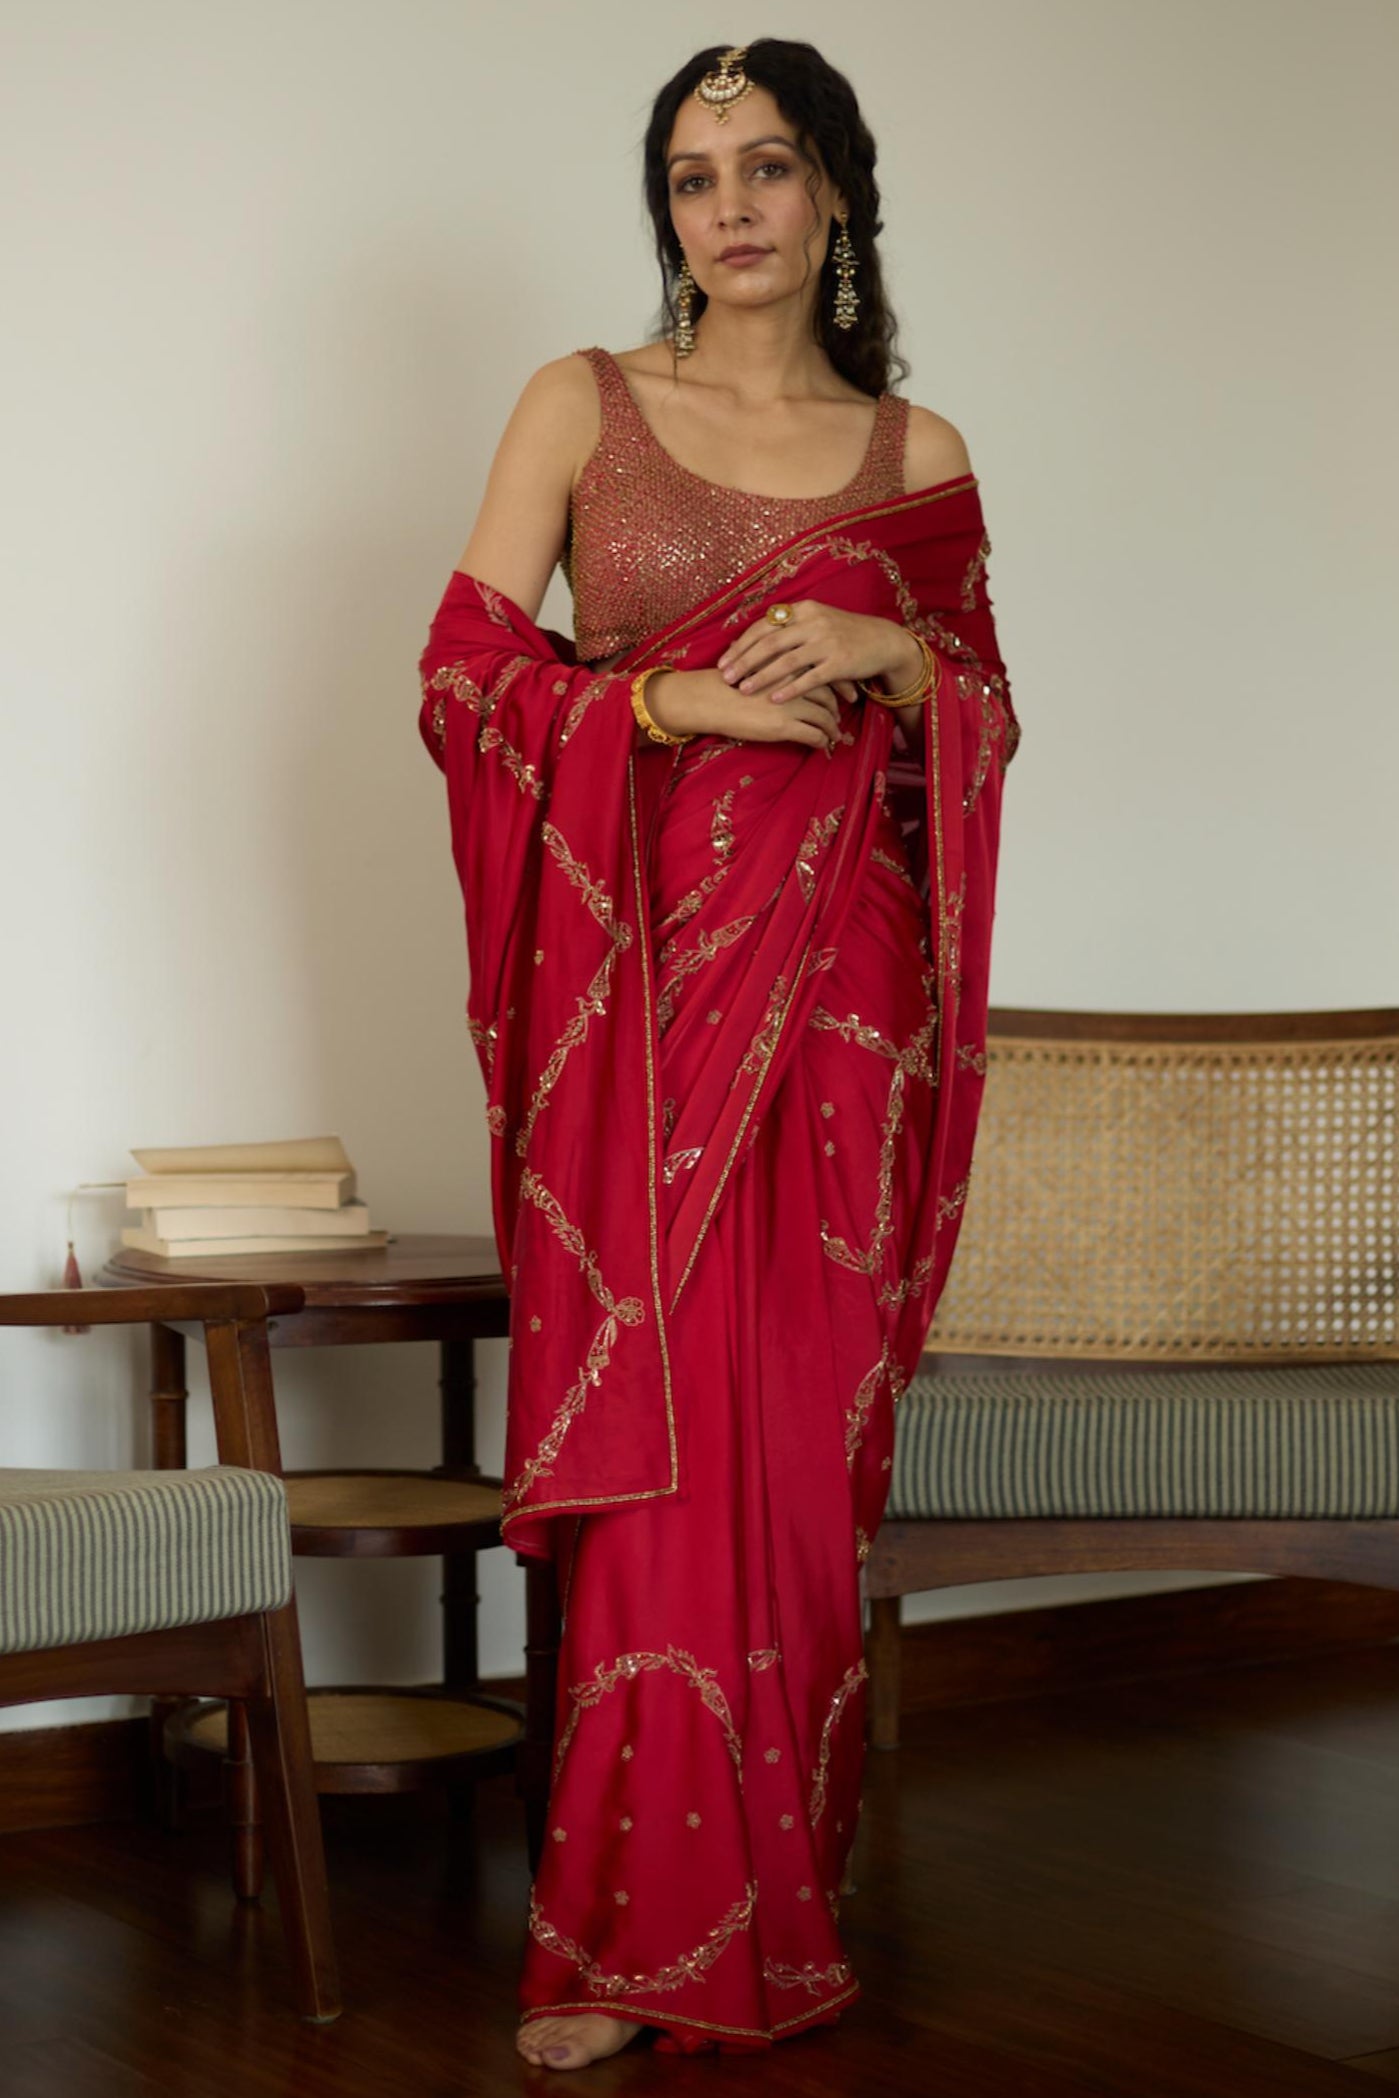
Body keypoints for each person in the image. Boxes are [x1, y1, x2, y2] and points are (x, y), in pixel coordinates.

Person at [417, 38, 1019, 2072]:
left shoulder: (916, 453)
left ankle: (778, 1895)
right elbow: (464, 676)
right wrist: (667, 703)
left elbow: (983, 722)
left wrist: (896, 653)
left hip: (846, 1015)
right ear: (666, 209)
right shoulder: (583, 405)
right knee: (663, 1438)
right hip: (651, 1007)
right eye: (694, 174)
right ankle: (619, 1937)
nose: (732, 205)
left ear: (836, 190)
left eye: (769, 165)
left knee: (792, 1448)